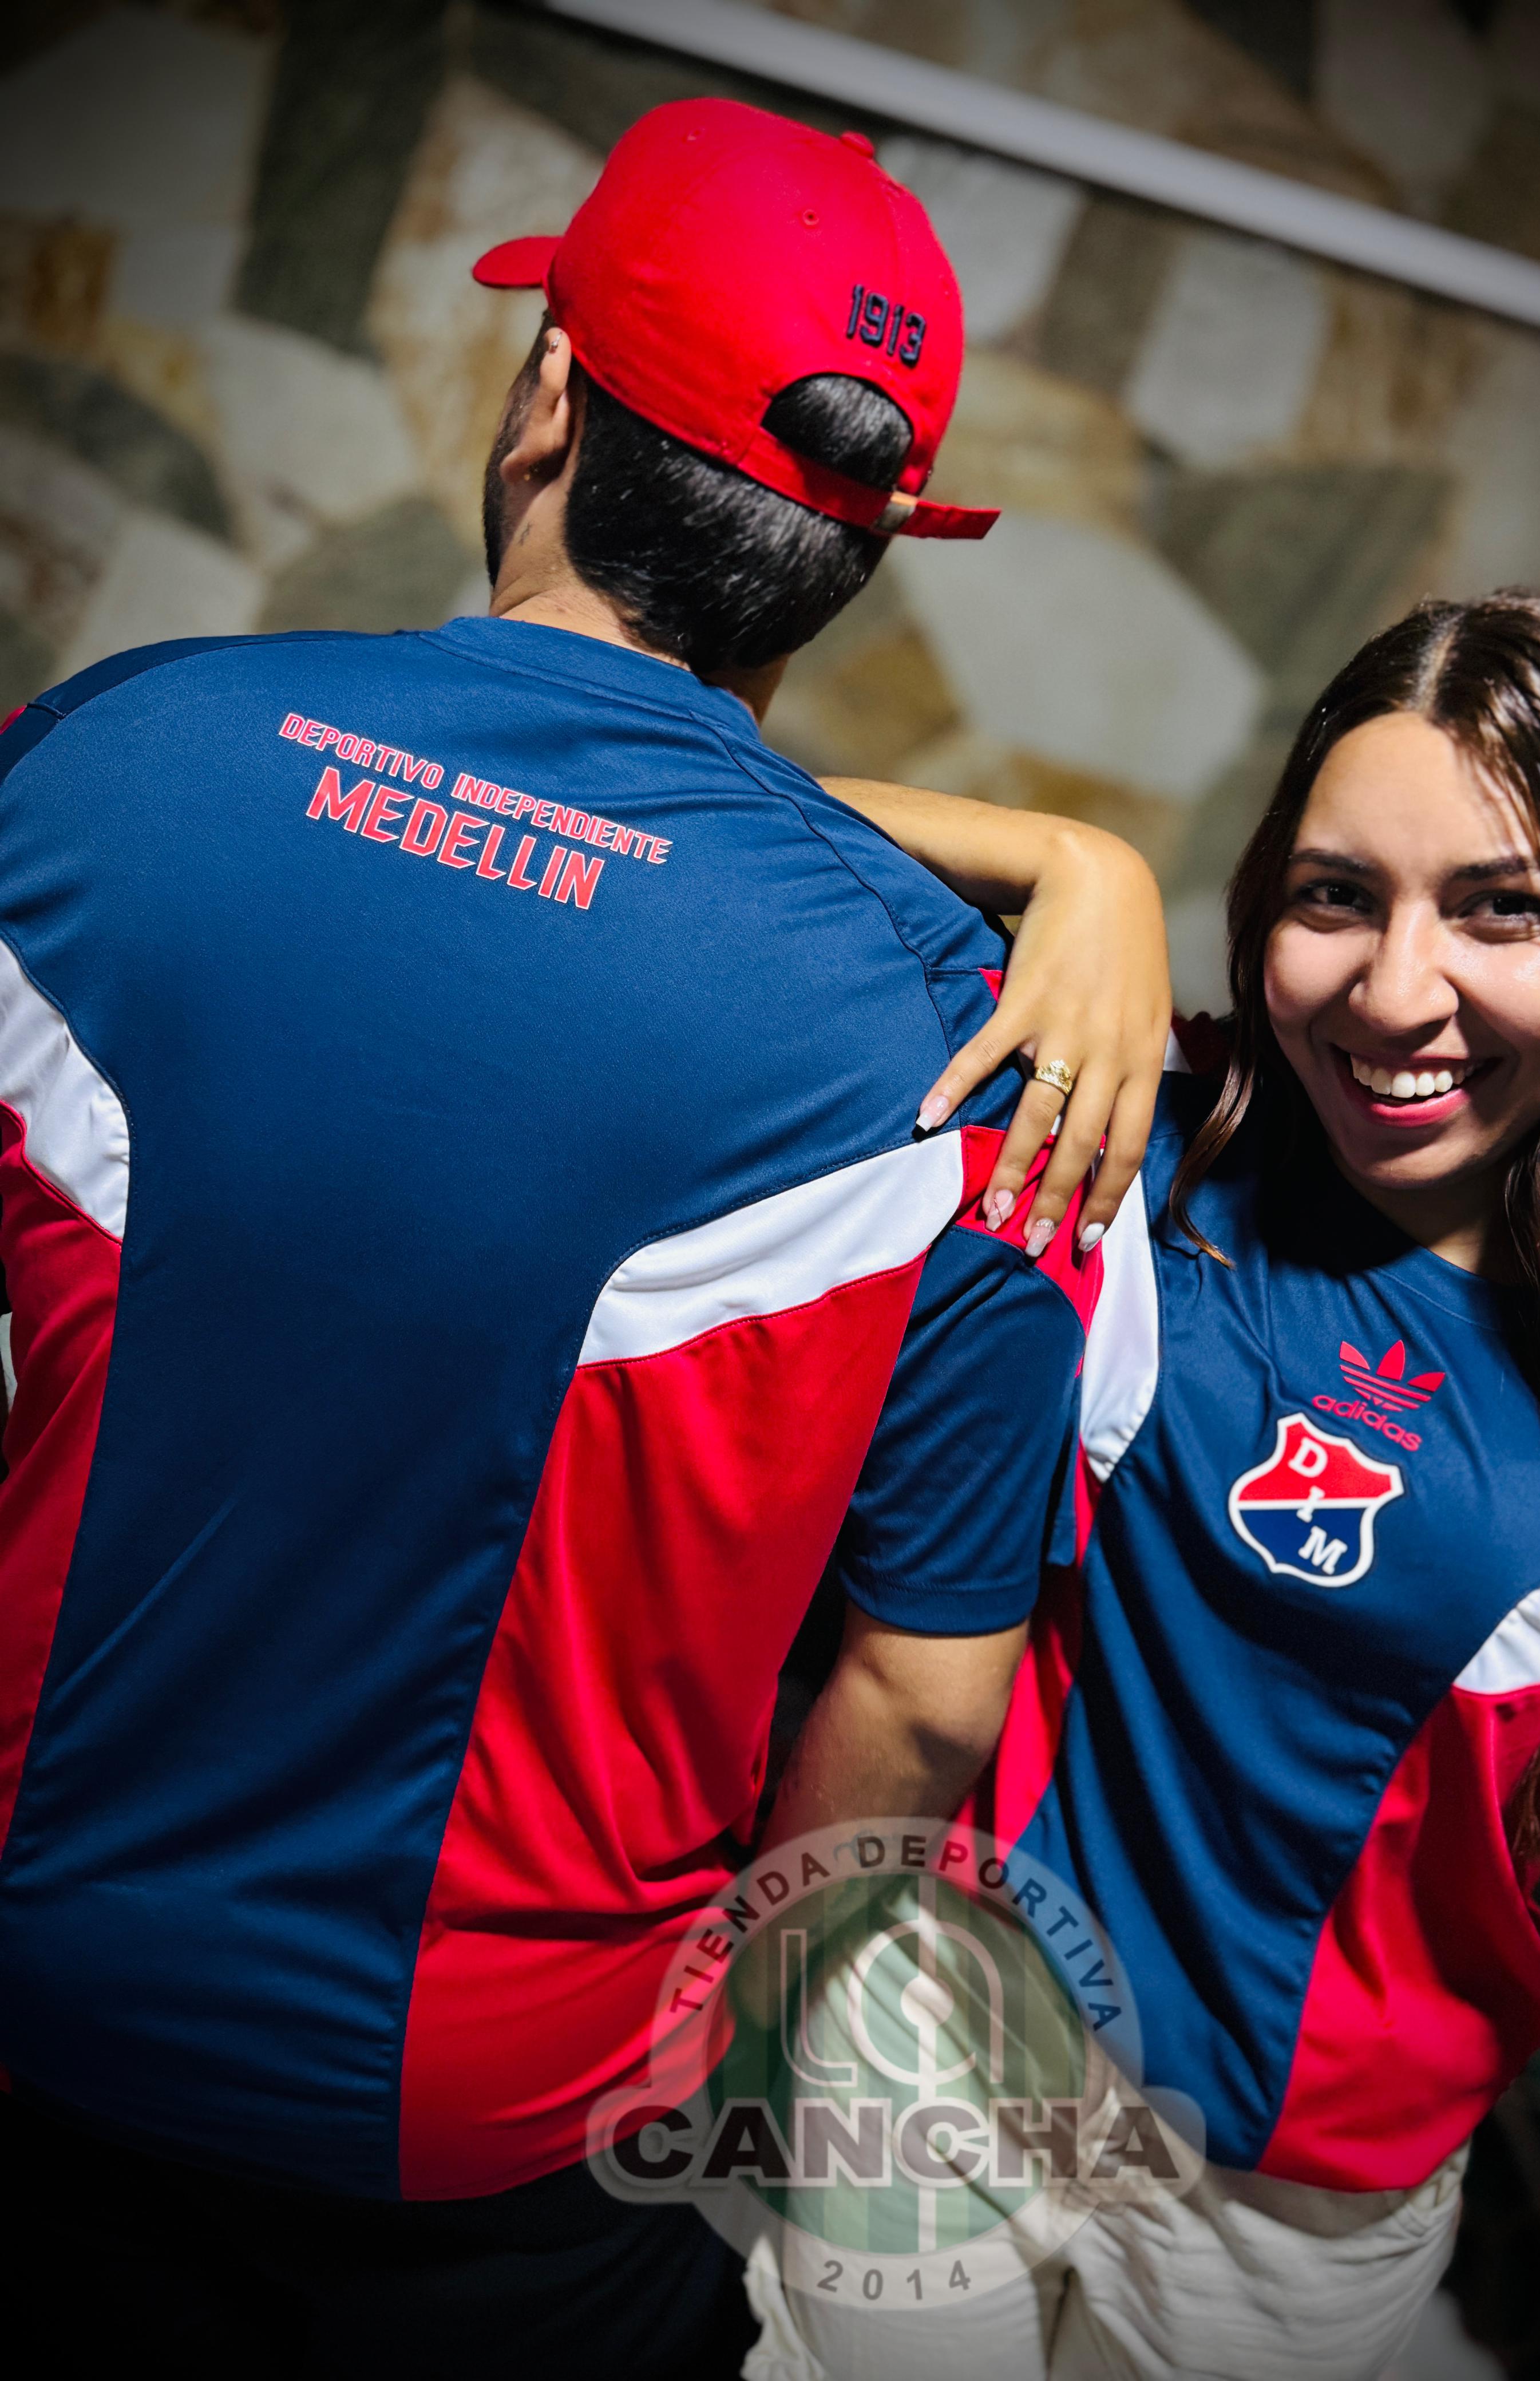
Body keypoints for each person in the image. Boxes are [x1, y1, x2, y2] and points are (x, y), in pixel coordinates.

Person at [0, 97, 1165, 2379]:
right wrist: (1074, 854)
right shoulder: (985, 1052)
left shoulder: (97, 764)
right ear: (858, 550)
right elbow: (922, 1705)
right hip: (496, 2138)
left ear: (547, 401)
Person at [747, 592, 1540, 2381]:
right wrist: (1080, 870)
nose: (1393, 992)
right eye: (1334, 894)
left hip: (1289, 2218)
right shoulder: (1146, 1119)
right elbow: (722, 824)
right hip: (935, 2029)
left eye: (1499, 908)